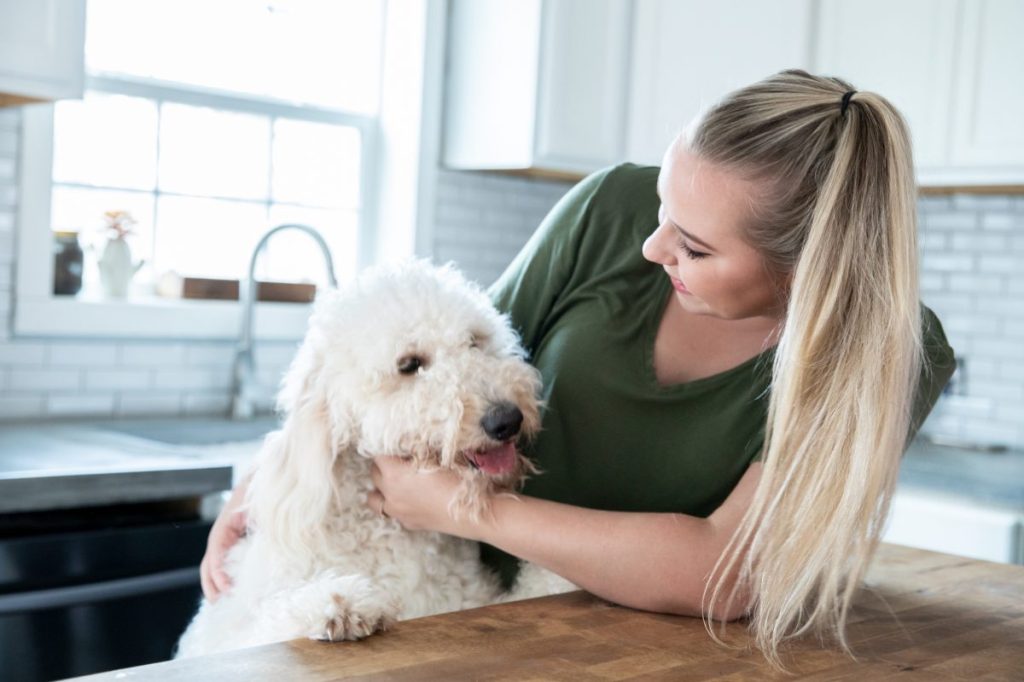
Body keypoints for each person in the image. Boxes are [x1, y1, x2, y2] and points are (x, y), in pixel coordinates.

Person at [200, 69, 956, 672]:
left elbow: (729, 576)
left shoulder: (882, 356)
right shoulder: (608, 210)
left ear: (804, 270)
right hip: (451, 620)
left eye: (693, 246)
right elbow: (430, 363)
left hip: (639, 655)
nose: (654, 248)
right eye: (661, 208)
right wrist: (271, 481)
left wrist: (466, 510)